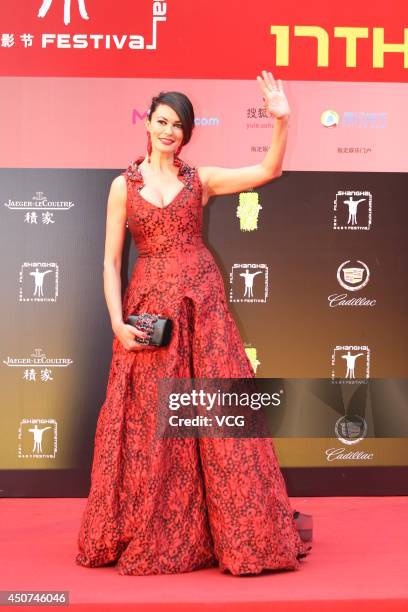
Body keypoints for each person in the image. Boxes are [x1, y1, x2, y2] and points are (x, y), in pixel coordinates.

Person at [75, 70, 312, 576]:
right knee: (149, 425)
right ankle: (146, 527)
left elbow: (268, 170)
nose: (168, 131)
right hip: (148, 314)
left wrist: (281, 121)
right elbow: (110, 263)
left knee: (216, 414)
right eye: (162, 121)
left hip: (202, 308)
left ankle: (241, 534)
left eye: (178, 126)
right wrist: (117, 322)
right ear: (148, 124)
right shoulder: (123, 185)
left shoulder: (198, 180)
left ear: (185, 134)